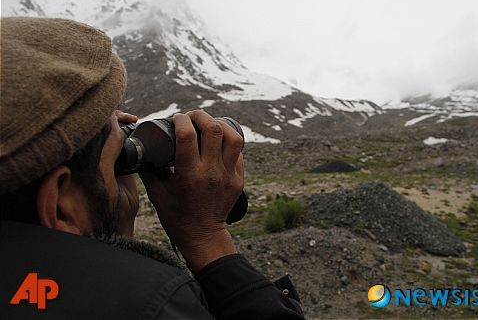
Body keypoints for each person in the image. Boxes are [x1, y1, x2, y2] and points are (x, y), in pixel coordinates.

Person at [0, 17, 304, 319]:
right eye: (117, 148)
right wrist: (206, 239)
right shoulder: (154, 304)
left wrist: (111, 223)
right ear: (61, 207)